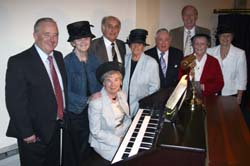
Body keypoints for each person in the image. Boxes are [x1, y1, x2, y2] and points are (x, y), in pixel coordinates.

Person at [5, 17, 68, 166]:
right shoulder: (19, 62)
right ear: (35, 35)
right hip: (34, 134)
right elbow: (15, 102)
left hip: (55, 128)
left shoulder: (58, 56)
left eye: (55, 35)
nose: (52, 39)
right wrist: (26, 132)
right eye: (47, 34)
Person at [64, 21, 102, 166]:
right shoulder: (67, 62)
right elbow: (64, 92)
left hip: (94, 111)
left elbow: (101, 83)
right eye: (79, 39)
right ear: (73, 42)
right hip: (76, 114)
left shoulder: (94, 60)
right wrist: (86, 99)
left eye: (86, 38)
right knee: (79, 151)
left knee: (93, 148)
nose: (83, 41)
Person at [88, 62, 131, 165]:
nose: (113, 84)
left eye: (116, 80)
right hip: (105, 142)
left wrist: (132, 132)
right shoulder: (96, 103)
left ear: (121, 82)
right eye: (109, 80)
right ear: (103, 83)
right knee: (127, 159)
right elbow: (95, 132)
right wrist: (119, 141)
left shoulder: (122, 94)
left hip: (123, 134)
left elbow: (126, 118)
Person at [122, 29, 160, 117]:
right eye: (133, 44)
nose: (136, 47)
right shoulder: (124, 59)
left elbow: (155, 88)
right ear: (130, 46)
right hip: (123, 107)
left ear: (143, 46)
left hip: (141, 108)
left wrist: (145, 105)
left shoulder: (151, 63)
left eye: (139, 44)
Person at [207, 25, 247, 104]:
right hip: (212, 92)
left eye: (228, 36)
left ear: (232, 38)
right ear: (218, 37)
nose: (225, 38)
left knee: (229, 116)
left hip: (231, 93)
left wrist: (239, 97)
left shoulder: (240, 53)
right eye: (222, 35)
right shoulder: (210, 52)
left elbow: (242, 78)